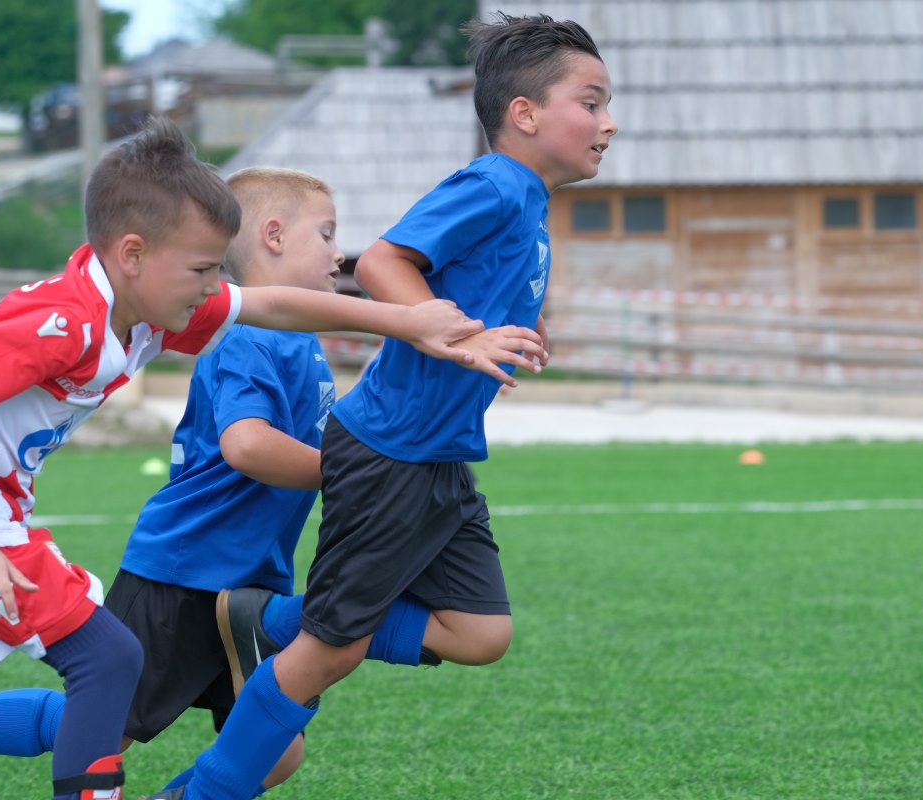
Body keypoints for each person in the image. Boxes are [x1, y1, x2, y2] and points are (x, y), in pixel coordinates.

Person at [0, 118, 544, 800]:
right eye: (201, 269)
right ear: (134, 255)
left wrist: (411, 321)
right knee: (107, 680)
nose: (211, 285)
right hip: (111, 554)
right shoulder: (71, 319)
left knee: (271, 751)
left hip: (230, 576)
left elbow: (272, 304)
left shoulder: (162, 308)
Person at [149, 12, 619, 799]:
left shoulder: (528, 203)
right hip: (392, 451)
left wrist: (502, 333)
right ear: (525, 114)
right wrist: (453, 335)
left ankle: (268, 620)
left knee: (480, 634)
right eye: (593, 101)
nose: (610, 122)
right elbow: (386, 263)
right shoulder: (496, 183)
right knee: (328, 651)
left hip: (439, 456)